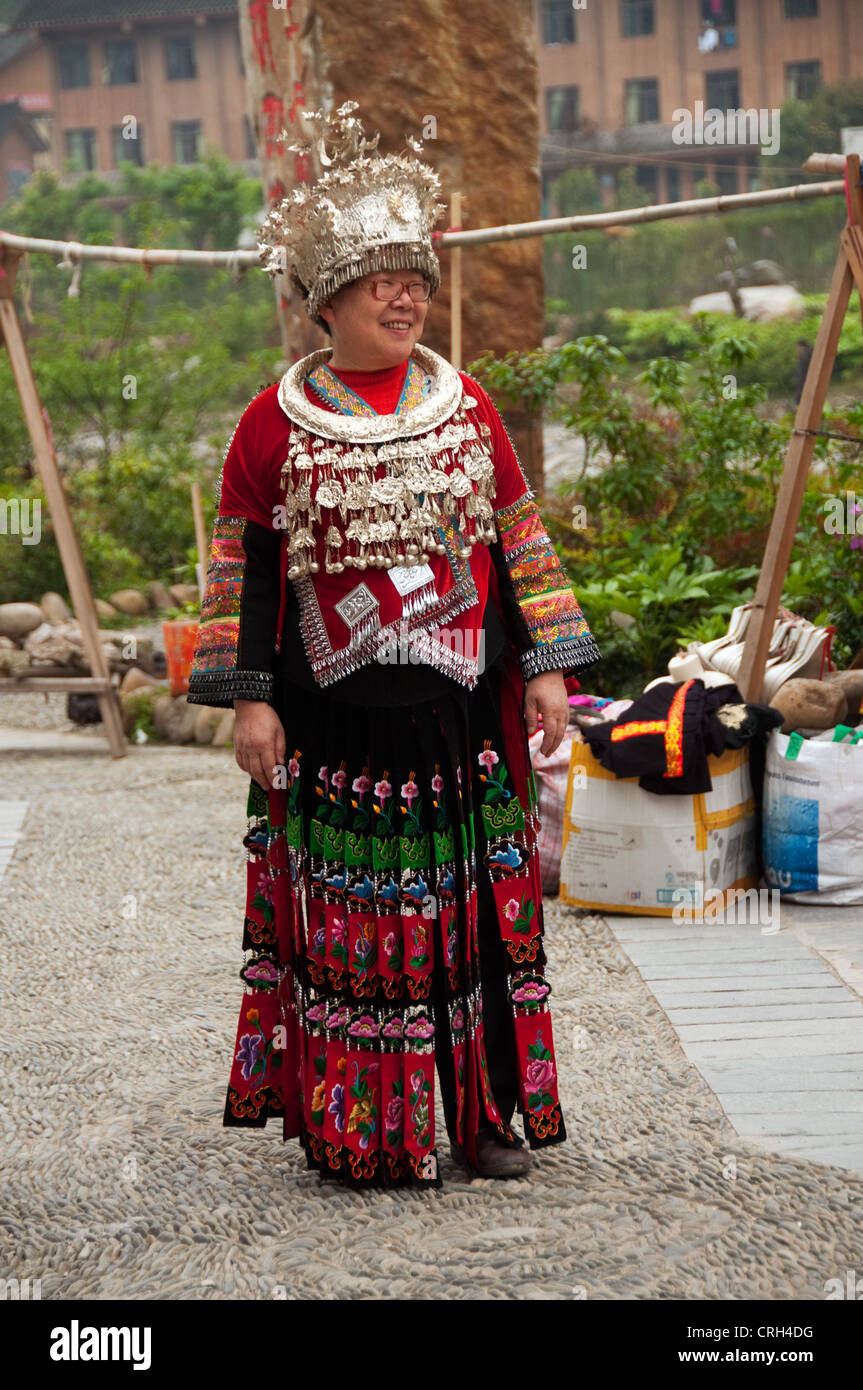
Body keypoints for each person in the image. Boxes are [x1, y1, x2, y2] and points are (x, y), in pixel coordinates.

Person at [187, 102, 601, 1189]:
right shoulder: (269, 427)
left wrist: (549, 669)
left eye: (414, 279)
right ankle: (357, 1124)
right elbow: (248, 573)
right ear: (328, 302)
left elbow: (517, 537)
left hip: (458, 715)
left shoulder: (463, 403)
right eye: (381, 282)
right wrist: (250, 699)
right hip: (334, 723)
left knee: (467, 920)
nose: (405, 296)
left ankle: (477, 1118)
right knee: (359, 926)